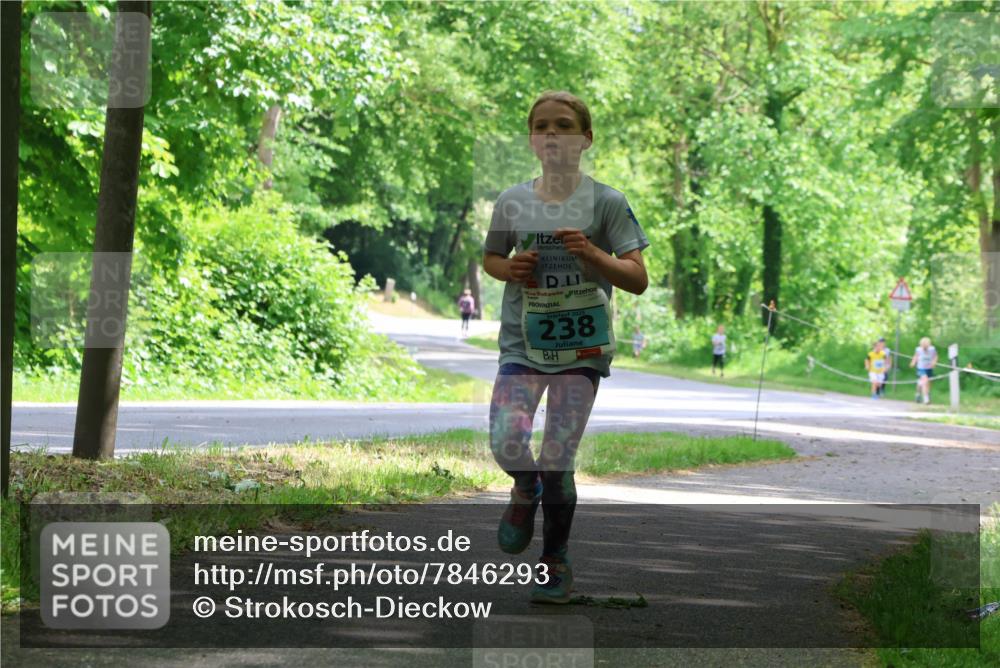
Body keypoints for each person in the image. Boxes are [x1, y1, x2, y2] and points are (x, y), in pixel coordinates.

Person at [482, 91, 649, 604]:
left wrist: (593, 252)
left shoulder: (608, 202)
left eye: (563, 126)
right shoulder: (513, 200)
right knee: (506, 440)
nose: (552, 134)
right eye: (542, 127)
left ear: (586, 139)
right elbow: (491, 257)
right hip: (522, 344)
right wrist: (508, 269)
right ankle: (523, 486)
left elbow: (637, 279)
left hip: (582, 351)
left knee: (558, 459)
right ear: (532, 139)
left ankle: (555, 563)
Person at [909, 336, 938, 404]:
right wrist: (913, 362)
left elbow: (935, 356)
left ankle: (918, 394)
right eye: (923, 346)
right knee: (925, 381)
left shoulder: (932, 349)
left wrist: (934, 362)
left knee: (927, 383)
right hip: (921, 368)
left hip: (929, 368)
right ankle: (926, 399)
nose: (925, 348)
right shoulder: (918, 349)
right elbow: (916, 356)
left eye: (926, 346)